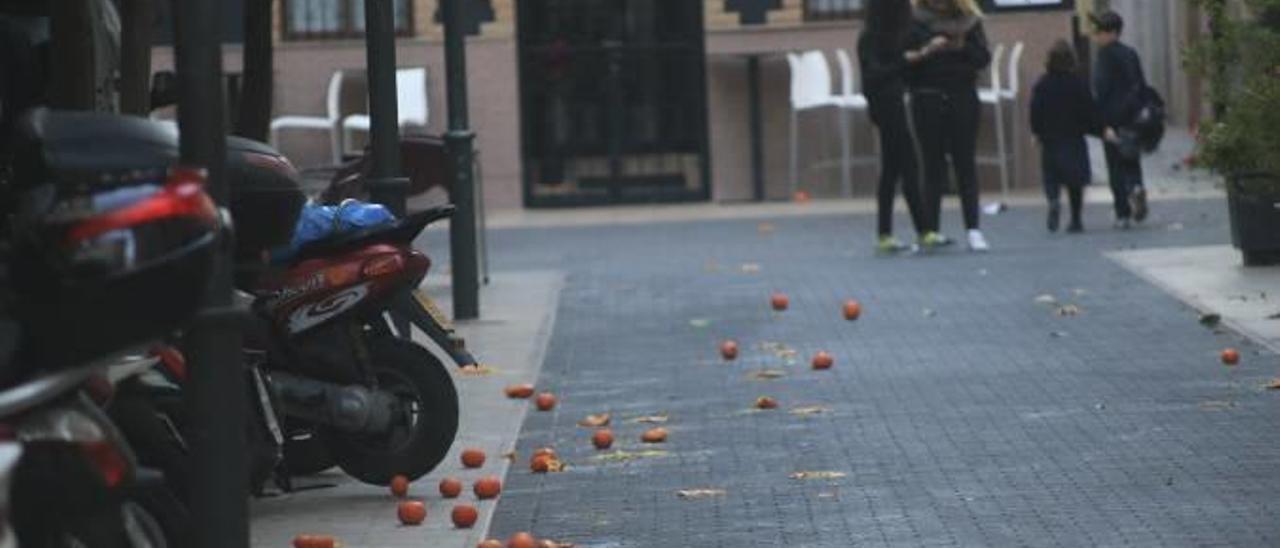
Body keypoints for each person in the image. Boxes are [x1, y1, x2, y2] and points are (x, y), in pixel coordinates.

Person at [904, 0, 992, 252]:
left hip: (961, 94)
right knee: (932, 165)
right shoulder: (915, 22)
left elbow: (983, 57)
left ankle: (973, 229)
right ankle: (931, 229)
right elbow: (904, 61)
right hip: (927, 95)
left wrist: (962, 47)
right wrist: (927, 50)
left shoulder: (970, 21)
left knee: (965, 162)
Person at [859, 0, 927, 254]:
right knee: (903, 166)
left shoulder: (887, 37)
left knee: (896, 167)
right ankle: (914, 229)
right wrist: (905, 61)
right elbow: (873, 76)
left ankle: (897, 230)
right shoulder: (871, 40)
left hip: (891, 104)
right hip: (885, 106)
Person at [1030, 40, 1103, 233]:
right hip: (1074, 139)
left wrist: (1036, 132)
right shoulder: (1078, 83)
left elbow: (1035, 110)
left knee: (1051, 176)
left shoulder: (1043, 84)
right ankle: (1076, 219)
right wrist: (1097, 129)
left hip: (1050, 139)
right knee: (1075, 183)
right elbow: (1090, 109)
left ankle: (1053, 200)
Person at [1091, 10, 1148, 228]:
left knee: (1114, 165)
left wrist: (1100, 120)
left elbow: (1101, 89)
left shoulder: (1104, 56)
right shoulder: (1130, 53)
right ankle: (1136, 186)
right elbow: (1141, 84)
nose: (1096, 36)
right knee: (1131, 158)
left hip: (1112, 118)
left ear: (1112, 33)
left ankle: (1122, 213)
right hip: (1132, 116)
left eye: (1100, 32)